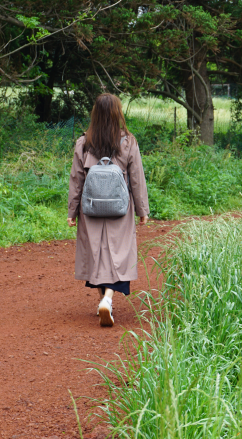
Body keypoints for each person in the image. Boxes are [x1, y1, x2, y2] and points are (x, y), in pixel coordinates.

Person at [67, 93, 150, 327]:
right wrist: (142, 209)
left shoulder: (84, 142)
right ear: (117, 113)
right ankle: (108, 299)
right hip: (120, 209)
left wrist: (72, 211)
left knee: (95, 252)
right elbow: (137, 178)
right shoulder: (128, 142)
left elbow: (76, 180)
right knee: (119, 253)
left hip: (91, 208)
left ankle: (103, 300)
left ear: (95, 114)